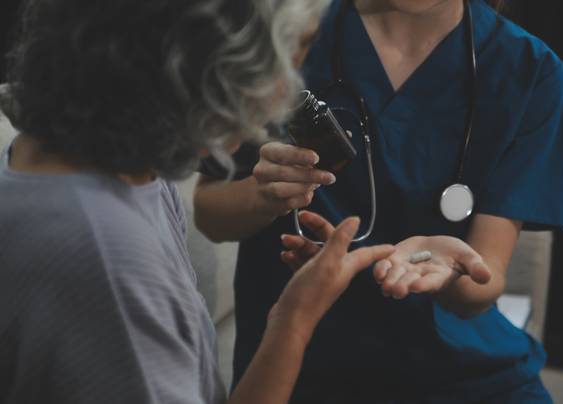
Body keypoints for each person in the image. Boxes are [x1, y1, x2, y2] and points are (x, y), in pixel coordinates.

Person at [0, 0, 399, 403]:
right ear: (197, 67)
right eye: (275, 65)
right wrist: (296, 320)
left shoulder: (104, 167)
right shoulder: (107, 257)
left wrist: (288, 314)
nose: (283, 94)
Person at [193, 0, 563, 402]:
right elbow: (209, 214)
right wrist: (263, 195)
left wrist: (451, 271)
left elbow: (483, 282)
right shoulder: (288, 32)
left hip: (460, 369)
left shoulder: (528, 67)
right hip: (301, 360)